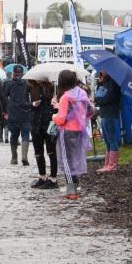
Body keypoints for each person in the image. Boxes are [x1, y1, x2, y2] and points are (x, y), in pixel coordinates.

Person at [52, 70, 94, 200]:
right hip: (80, 131)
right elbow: (91, 110)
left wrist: (54, 117)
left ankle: (71, 190)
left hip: (66, 132)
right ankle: (76, 186)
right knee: (75, 158)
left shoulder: (65, 97)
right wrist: (81, 118)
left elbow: (61, 119)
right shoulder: (81, 93)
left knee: (66, 160)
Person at [29, 80, 59, 189]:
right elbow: (22, 104)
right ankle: (42, 176)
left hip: (49, 123)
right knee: (38, 152)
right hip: (36, 123)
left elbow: (57, 107)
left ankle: (53, 178)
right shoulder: (32, 88)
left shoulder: (53, 88)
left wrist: (54, 101)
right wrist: (32, 104)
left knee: (51, 151)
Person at [2, 65, 32, 166]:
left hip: (13, 112)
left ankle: (14, 158)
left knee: (14, 135)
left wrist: (4, 111)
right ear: (23, 74)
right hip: (25, 112)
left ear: (13, 73)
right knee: (25, 134)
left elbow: (3, 97)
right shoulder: (27, 84)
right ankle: (24, 156)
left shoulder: (8, 83)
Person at [94, 72, 122, 173]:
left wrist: (99, 100)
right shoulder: (104, 81)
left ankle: (112, 165)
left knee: (111, 139)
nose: (101, 71)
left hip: (111, 113)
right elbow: (98, 96)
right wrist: (100, 83)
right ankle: (107, 164)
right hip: (104, 113)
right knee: (107, 140)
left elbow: (107, 98)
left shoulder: (114, 82)